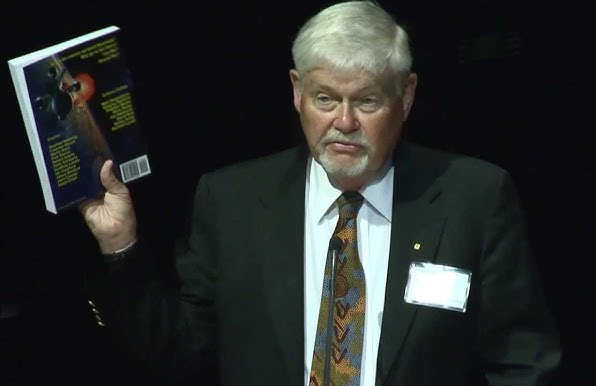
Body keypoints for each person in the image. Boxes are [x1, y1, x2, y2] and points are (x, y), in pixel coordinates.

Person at [80, 1, 561, 385]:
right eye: (325, 98)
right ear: (296, 92)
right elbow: (179, 354)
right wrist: (120, 247)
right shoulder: (232, 201)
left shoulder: (473, 198)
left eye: (367, 100)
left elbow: (523, 363)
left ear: (406, 96)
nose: (344, 123)